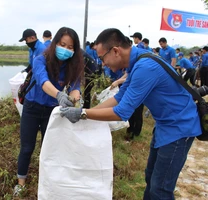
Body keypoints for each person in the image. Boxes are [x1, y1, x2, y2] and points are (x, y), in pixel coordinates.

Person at [60, 28, 201, 200]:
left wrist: (83, 114)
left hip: (179, 128)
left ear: (116, 51)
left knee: (161, 189)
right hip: (164, 125)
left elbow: (122, 112)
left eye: (102, 58)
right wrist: (82, 112)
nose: (103, 64)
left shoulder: (145, 67)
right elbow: (119, 98)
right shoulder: (137, 62)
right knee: (151, 178)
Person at [13, 27, 84, 196]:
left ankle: (47, 181)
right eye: (62, 44)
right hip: (32, 107)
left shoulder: (72, 66)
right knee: (27, 147)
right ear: (55, 43)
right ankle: (21, 182)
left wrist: (75, 102)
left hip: (52, 111)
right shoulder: (41, 59)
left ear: (75, 49)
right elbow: (43, 82)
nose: (65, 49)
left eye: (70, 47)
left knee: (50, 148)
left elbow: (75, 88)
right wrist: (59, 94)